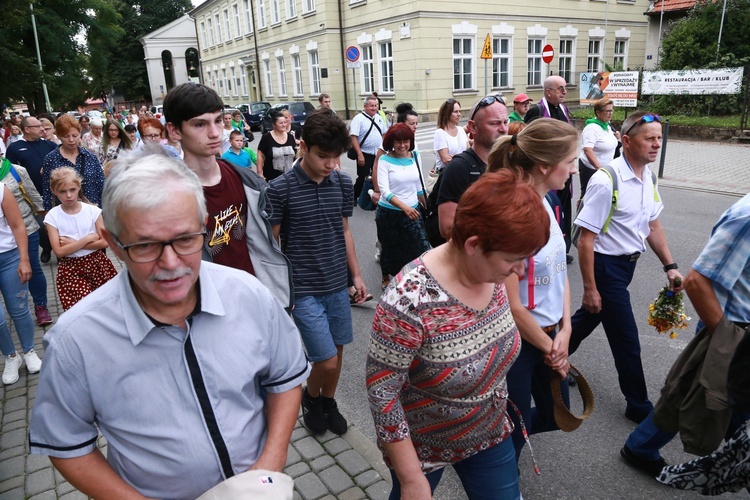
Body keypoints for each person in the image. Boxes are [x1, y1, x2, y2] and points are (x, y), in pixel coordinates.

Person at [28, 151, 310, 498]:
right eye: (145, 245)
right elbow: (66, 443)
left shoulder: (249, 294)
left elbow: (284, 380)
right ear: (114, 242)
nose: (171, 263)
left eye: (185, 239)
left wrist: (270, 461)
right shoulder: (75, 340)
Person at [366, 169, 550, 500]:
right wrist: (410, 478)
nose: (520, 272)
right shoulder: (410, 299)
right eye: (513, 260)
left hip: (489, 432)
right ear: (473, 245)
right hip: (422, 445)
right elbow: (383, 392)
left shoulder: (492, 274)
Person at [621, 190, 750, 478]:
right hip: (733, 331)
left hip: (737, 331)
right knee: (705, 396)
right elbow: (697, 282)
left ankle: (640, 447)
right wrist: (727, 343)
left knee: (699, 394)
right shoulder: (748, 218)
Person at [569, 111, 684, 424]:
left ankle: (545, 358)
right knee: (627, 342)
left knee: (586, 320)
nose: (656, 144)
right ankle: (639, 406)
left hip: (626, 268)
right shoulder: (607, 180)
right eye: (649, 138)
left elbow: (653, 224)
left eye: (659, 137)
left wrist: (670, 266)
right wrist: (590, 288)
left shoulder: (648, 176)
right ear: (626, 140)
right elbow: (585, 240)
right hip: (606, 269)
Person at [266, 108, 367, 436]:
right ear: (303, 146)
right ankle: (310, 398)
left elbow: (345, 231)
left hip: (337, 283)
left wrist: (357, 276)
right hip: (304, 288)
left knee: (338, 352)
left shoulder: (342, 181)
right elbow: (271, 245)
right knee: (324, 360)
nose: (331, 165)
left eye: (336, 157)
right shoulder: (280, 189)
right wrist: (280, 293)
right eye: (324, 156)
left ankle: (328, 401)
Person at [487, 118, 579, 461]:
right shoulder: (515, 213)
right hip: (518, 341)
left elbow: (559, 272)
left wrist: (566, 328)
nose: (573, 169)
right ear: (544, 165)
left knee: (558, 416)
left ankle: (487, 445)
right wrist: (550, 348)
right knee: (514, 429)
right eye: (569, 161)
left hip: (551, 333)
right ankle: (502, 476)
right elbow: (510, 303)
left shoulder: (550, 202)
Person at [163, 83, 293, 310]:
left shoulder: (245, 181)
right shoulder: (169, 197)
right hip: (211, 307)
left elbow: (263, 244)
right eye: (200, 124)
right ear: (174, 131)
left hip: (257, 297)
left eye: (217, 120)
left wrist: (278, 293)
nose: (214, 132)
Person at [436, 94, 509, 239]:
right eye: (494, 123)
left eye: (505, 122)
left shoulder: (510, 163)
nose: (503, 129)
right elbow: (447, 228)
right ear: (473, 127)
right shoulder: (458, 168)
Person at [44, 167, 117, 310]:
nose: (69, 195)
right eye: (63, 192)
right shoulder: (52, 216)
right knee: (83, 309)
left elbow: (104, 242)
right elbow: (59, 251)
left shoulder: (93, 211)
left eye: (72, 189)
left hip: (97, 263)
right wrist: (87, 239)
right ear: (54, 191)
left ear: (79, 187)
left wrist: (71, 244)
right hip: (71, 268)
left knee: (107, 307)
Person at [525, 76, 574, 263]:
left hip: (563, 170)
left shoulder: (564, 109)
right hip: (546, 172)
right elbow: (529, 141)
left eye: (564, 88)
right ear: (548, 91)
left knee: (564, 210)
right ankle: (545, 245)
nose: (564, 92)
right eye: (560, 88)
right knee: (548, 208)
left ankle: (563, 246)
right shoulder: (537, 110)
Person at [375, 123, 430, 291]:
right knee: (390, 246)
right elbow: (384, 191)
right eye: (398, 141)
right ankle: (386, 277)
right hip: (389, 213)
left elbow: (419, 186)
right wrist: (405, 208)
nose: (402, 145)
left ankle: (417, 278)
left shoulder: (414, 156)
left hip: (413, 211)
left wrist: (427, 206)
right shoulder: (384, 160)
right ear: (391, 142)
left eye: (406, 141)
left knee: (420, 246)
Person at [0, 157, 51, 326]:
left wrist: (49, 225)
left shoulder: (15, 171)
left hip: (26, 229)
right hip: (2, 238)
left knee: (32, 268)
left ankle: (41, 306)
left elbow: (34, 196)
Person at [0, 184, 41, 385]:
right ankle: (11, 356)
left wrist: (24, 259)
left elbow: (17, 225)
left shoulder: (1, 190)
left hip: (8, 258)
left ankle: (29, 350)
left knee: (19, 308)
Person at [5, 116, 57, 263]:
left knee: (58, 223)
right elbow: (10, 172)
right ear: (27, 129)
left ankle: (61, 252)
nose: (42, 129)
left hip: (54, 194)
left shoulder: (49, 144)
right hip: (31, 197)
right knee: (42, 227)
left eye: (42, 126)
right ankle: (46, 247)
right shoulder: (15, 147)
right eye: (37, 126)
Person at [42, 115, 106, 211]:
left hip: (92, 211)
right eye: (66, 136)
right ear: (58, 136)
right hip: (66, 213)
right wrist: (49, 215)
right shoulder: (51, 159)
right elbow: (48, 191)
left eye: (75, 136)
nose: (71, 140)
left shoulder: (90, 157)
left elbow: (102, 185)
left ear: (80, 134)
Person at [579, 98, 621, 198]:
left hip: (606, 168)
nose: (610, 113)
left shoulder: (607, 125)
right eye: (607, 111)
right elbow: (588, 150)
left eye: (612, 110)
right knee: (588, 198)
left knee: (602, 198)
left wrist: (616, 137)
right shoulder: (592, 128)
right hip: (591, 169)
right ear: (598, 112)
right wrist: (599, 169)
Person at [350, 96, 387, 199]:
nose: (374, 108)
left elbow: (384, 134)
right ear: (365, 106)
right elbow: (354, 138)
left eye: (376, 106)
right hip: (364, 153)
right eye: (371, 106)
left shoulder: (379, 117)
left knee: (378, 176)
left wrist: (385, 149)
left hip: (378, 153)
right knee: (363, 178)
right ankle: (353, 197)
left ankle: (374, 197)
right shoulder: (358, 119)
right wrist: (359, 154)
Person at [257, 109, 296, 181]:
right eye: (281, 123)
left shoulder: (290, 137)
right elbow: (260, 155)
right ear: (274, 125)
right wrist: (259, 173)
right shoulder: (267, 137)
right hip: (272, 178)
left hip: (290, 177)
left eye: (285, 122)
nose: (284, 125)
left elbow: (295, 156)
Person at [433, 98, 469, 173]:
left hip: (463, 172)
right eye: (455, 112)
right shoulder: (440, 133)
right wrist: (465, 160)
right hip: (447, 173)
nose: (459, 114)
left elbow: (469, 152)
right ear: (447, 113)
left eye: (460, 111)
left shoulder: (461, 130)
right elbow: (446, 159)